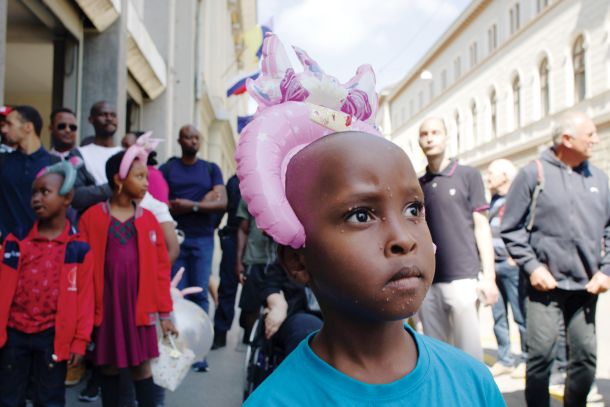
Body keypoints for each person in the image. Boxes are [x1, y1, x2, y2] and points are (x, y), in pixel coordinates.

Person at [240, 34, 503, 406]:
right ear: (298, 260)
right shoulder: (276, 401)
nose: (404, 239)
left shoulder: (473, 382)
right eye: (361, 215)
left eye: (413, 209)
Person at [501, 111, 610, 407]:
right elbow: (510, 228)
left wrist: (607, 270)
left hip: (586, 288)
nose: (596, 139)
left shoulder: (599, 178)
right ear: (567, 139)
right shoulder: (533, 173)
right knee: (540, 359)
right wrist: (533, 267)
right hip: (544, 289)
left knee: (586, 358)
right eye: (590, 134)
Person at [78, 150, 177, 407]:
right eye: (139, 176)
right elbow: (82, 271)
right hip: (107, 307)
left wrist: (165, 315)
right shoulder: (91, 218)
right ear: (119, 179)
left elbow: (160, 271)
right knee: (108, 367)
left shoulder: (149, 221)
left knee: (142, 368)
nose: (146, 182)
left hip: (140, 308)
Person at [0, 160, 94, 407]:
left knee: (50, 400)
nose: (36, 198)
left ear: (67, 197)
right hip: (13, 335)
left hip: (53, 337)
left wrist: (79, 341)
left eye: (45, 192)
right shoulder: (16, 241)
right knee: (9, 398)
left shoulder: (78, 249)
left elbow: (85, 299)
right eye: (34, 193)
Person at [417, 117, 498, 361]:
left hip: (464, 279)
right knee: (438, 359)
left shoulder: (468, 175)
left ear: (446, 137)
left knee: (469, 357)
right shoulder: (417, 184)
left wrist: (490, 277)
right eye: (424, 134)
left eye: (435, 132)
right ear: (419, 141)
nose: (430, 137)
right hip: (429, 282)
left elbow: (482, 228)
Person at [485, 159, 526, 377]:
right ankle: (505, 359)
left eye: (491, 172)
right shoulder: (493, 201)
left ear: (505, 176)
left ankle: (527, 360)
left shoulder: (518, 198)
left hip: (512, 266)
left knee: (521, 316)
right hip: (494, 266)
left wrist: (515, 258)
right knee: (498, 316)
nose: (488, 176)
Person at [0, 105, 59, 240]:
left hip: (42, 246)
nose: (4, 129)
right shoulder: (2, 161)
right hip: (7, 247)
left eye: (9, 124)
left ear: (28, 127)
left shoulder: (54, 163)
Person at [235, 198, 278, 344]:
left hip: (279, 262)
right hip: (254, 259)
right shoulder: (250, 193)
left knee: (275, 305)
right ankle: (250, 340)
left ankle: (266, 342)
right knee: (250, 305)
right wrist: (239, 261)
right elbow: (243, 229)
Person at [70, 101, 122, 213]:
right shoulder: (78, 154)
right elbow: (77, 196)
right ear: (91, 119)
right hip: (90, 223)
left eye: (113, 115)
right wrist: (115, 186)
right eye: (103, 114)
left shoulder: (126, 154)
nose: (109, 118)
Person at [211, 174, 241, 349]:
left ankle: (248, 329)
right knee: (227, 287)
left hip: (256, 240)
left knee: (257, 287)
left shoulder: (268, 178)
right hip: (232, 236)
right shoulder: (234, 181)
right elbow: (223, 207)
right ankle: (220, 332)